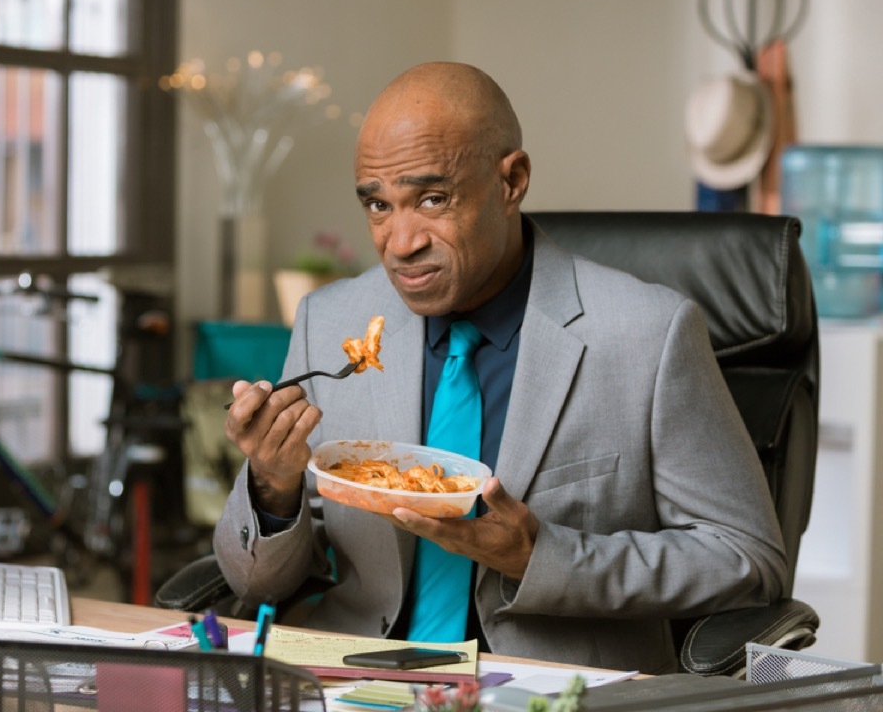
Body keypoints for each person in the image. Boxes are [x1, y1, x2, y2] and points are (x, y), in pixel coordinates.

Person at [213, 62, 787, 675]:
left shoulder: (647, 334)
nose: (399, 241)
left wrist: (541, 556)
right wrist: (272, 486)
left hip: (545, 687)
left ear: (512, 181)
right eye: (379, 205)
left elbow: (749, 559)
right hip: (350, 675)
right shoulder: (331, 321)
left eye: (432, 199)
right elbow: (255, 584)